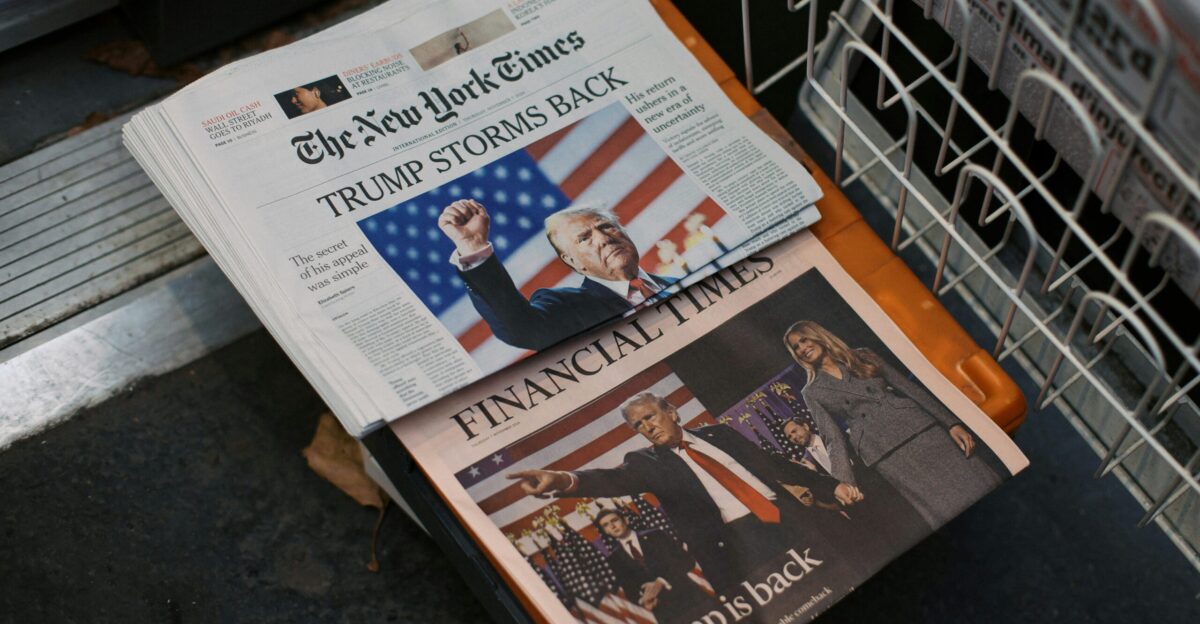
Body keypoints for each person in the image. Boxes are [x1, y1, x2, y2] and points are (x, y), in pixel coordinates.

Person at [508, 392, 865, 594]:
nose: (647, 427)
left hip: (790, 518)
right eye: (639, 425)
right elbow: (611, 481)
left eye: (650, 417)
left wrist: (833, 484)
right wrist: (561, 480)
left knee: (847, 581)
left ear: (672, 412)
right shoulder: (644, 462)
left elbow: (778, 467)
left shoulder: (719, 435)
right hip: (739, 544)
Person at [783, 320, 1002, 528]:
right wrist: (844, 482)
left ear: (818, 336)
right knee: (944, 507)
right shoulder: (812, 392)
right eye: (796, 347)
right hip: (884, 451)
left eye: (804, 340)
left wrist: (951, 423)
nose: (802, 348)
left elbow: (909, 389)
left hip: (920, 429)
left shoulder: (862, 355)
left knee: (975, 483)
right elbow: (833, 438)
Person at [439, 200, 677, 350]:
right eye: (584, 238)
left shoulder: (677, 283)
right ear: (573, 262)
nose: (604, 238)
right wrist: (473, 247)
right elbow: (523, 329)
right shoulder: (567, 306)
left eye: (606, 226)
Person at [595, 509, 709, 622]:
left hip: (690, 597)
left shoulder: (655, 535)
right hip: (664, 612)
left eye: (614, 520)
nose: (612, 526)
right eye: (606, 525)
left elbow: (686, 560)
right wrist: (644, 600)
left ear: (626, 520)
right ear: (606, 531)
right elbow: (630, 590)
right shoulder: (614, 559)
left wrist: (661, 581)